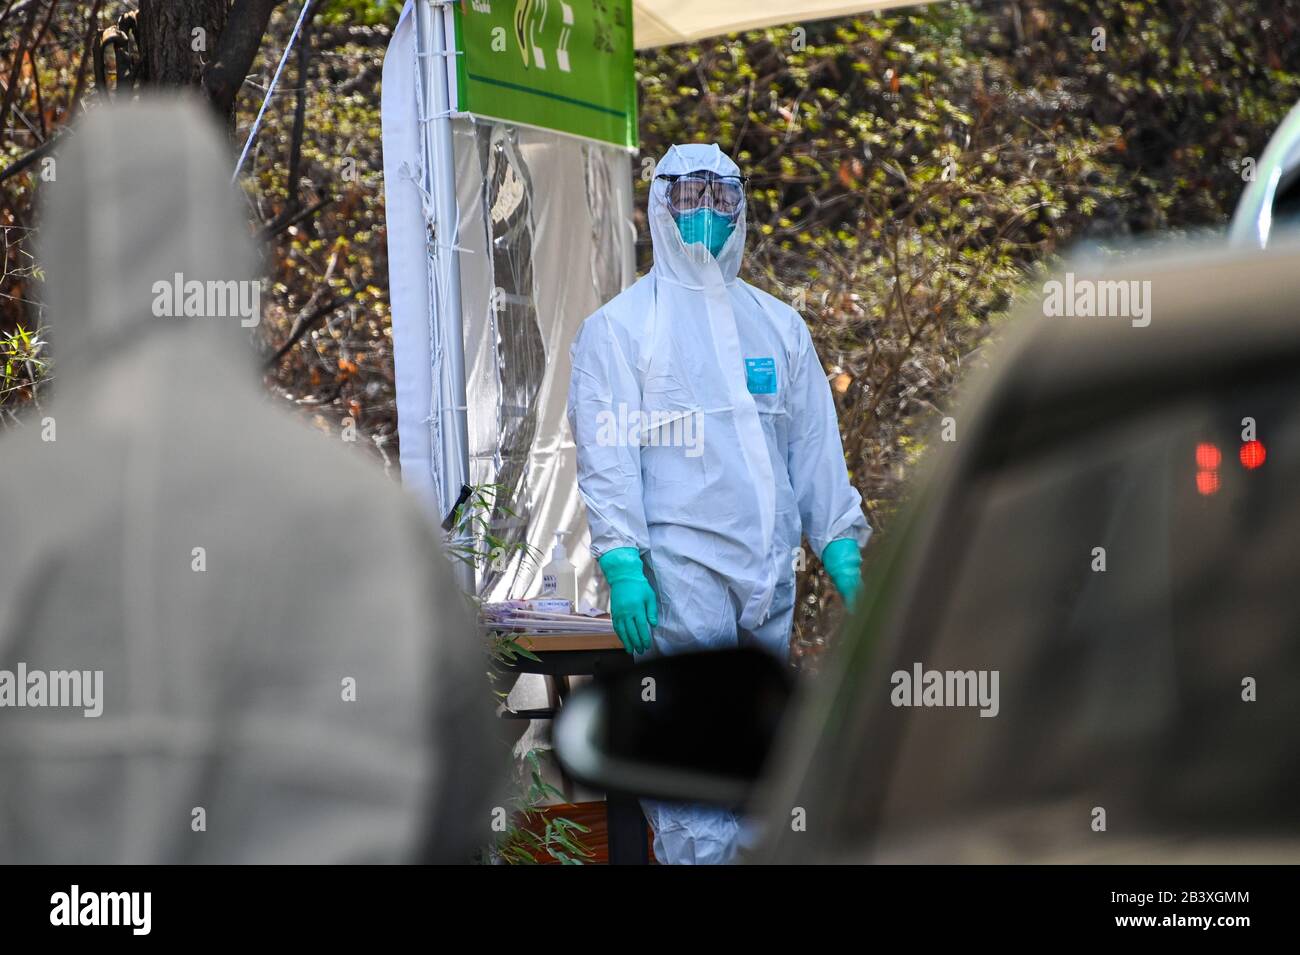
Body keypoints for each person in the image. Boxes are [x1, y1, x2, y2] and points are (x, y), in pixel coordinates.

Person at [0, 97, 500, 863]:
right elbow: (460, 787)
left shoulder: (20, 498)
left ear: (58, 260)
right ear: (230, 256)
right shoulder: (364, 509)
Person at [567, 142, 871, 864]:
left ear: (741, 207)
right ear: (661, 206)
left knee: (759, 762)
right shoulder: (621, 329)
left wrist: (844, 551)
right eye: (689, 199)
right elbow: (607, 458)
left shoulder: (778, 326)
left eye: (720, 199)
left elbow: (812, 452)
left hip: (767, 575)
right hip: (681, 576)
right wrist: (622, 562)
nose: (705, 215)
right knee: (694, 764)